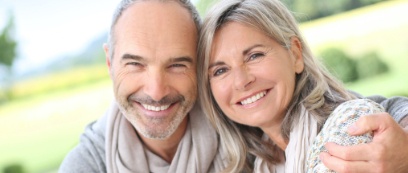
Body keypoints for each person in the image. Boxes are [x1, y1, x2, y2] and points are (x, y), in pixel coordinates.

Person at [197, 0, 408, 172]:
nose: (241, 81)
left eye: (254, 55)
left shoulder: (350, 128)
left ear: (295, 54)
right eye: (220, 70)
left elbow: (395, 114)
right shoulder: (242, 162)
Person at [59, 0, 227, 172]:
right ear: (109, 63)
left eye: (177, 65)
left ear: (200, 65)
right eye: (135, 64)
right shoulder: (86, 166)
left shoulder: (243, 140)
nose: (156, 93)